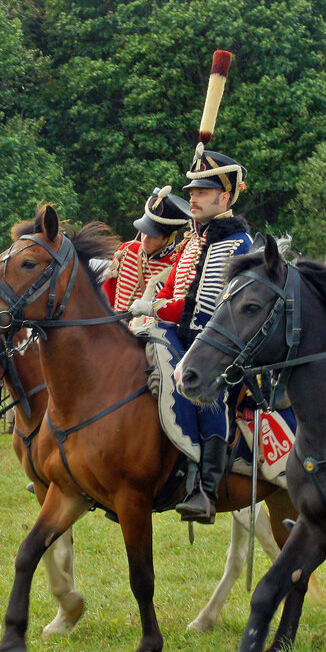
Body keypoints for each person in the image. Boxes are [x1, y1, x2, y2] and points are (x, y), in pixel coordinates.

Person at [129, 147, 252, 523]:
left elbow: (204, 312)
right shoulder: (196, 241)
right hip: (183, 332)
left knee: (206, 393)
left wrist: (151, 311)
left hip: (217, 344)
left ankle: (206, 488)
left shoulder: (235, 245)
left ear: (225, 197)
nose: (193, 198)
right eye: (193, 191)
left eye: (201, 192)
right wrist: (149, 310)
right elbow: (172, 294)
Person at [102, 185, 191, 313]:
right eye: (144, 231)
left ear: (171, 237)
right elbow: (106, 297)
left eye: (153, 235)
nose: (144, 240)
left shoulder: (178, 265)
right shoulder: (126, 250)